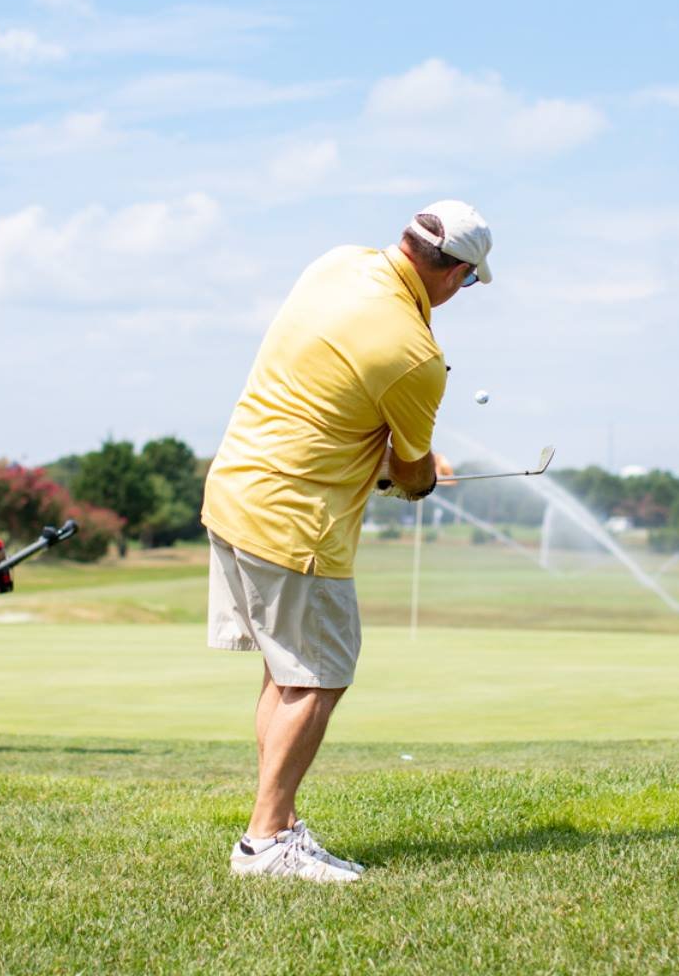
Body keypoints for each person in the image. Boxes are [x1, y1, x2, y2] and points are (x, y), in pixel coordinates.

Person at [202, 199, 493, 882]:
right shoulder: (416, 355)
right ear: (452, 272)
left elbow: (344, 402)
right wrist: (419, 475)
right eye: (471, 281)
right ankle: (266, 840)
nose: (464, 293)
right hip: (296, 522)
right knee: (320, 677)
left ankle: (275, 826)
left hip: (235, 493)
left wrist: (404, 459)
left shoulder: (337, 264)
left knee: (285, 673)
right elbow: (413, 473)